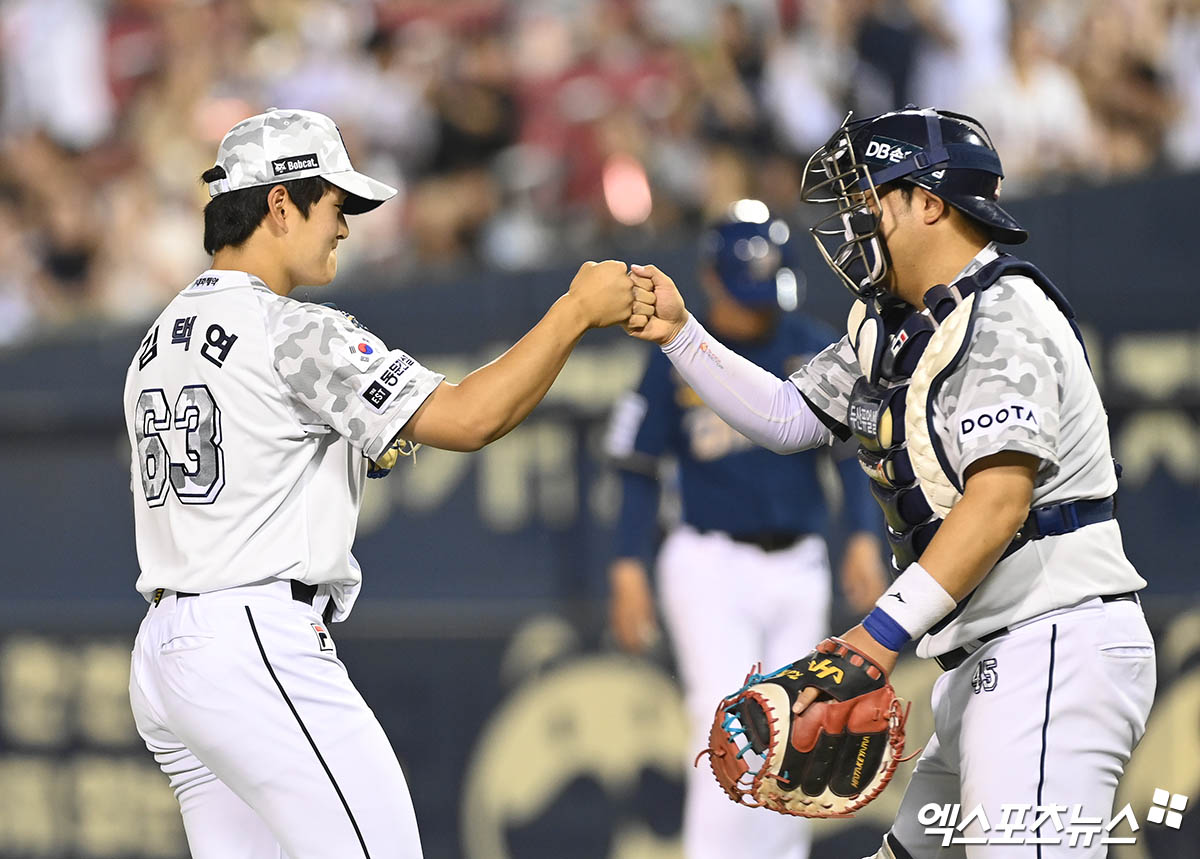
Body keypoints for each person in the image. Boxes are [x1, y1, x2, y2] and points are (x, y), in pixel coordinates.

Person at [628, 107, 1155, 858]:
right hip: (989, 653)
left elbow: (999, 501)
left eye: (872, 197)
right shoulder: (895, 325)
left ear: (931, 202)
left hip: (1056, 642)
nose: (857, 221)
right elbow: (787, 416)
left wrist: (874, 639)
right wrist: (682, 334)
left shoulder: (1005, 311)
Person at [123, 107, 646, 859]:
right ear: (280, 202)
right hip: (253, 639)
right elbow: (470, 418)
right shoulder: (292, 328)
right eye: (335, 203)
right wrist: (573, 313)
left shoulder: (152, 342)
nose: (344, 226)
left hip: (169, 653)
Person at [604, 200, 887, 859]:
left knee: (797, 731)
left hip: (799, 562)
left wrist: (864, 536)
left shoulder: (809, 343)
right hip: (710, 561)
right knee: (730, 722)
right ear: (709, 276)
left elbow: (852, 455)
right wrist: (625, 563)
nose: (760, 304)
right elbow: (637, 465)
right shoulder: (675, 354)